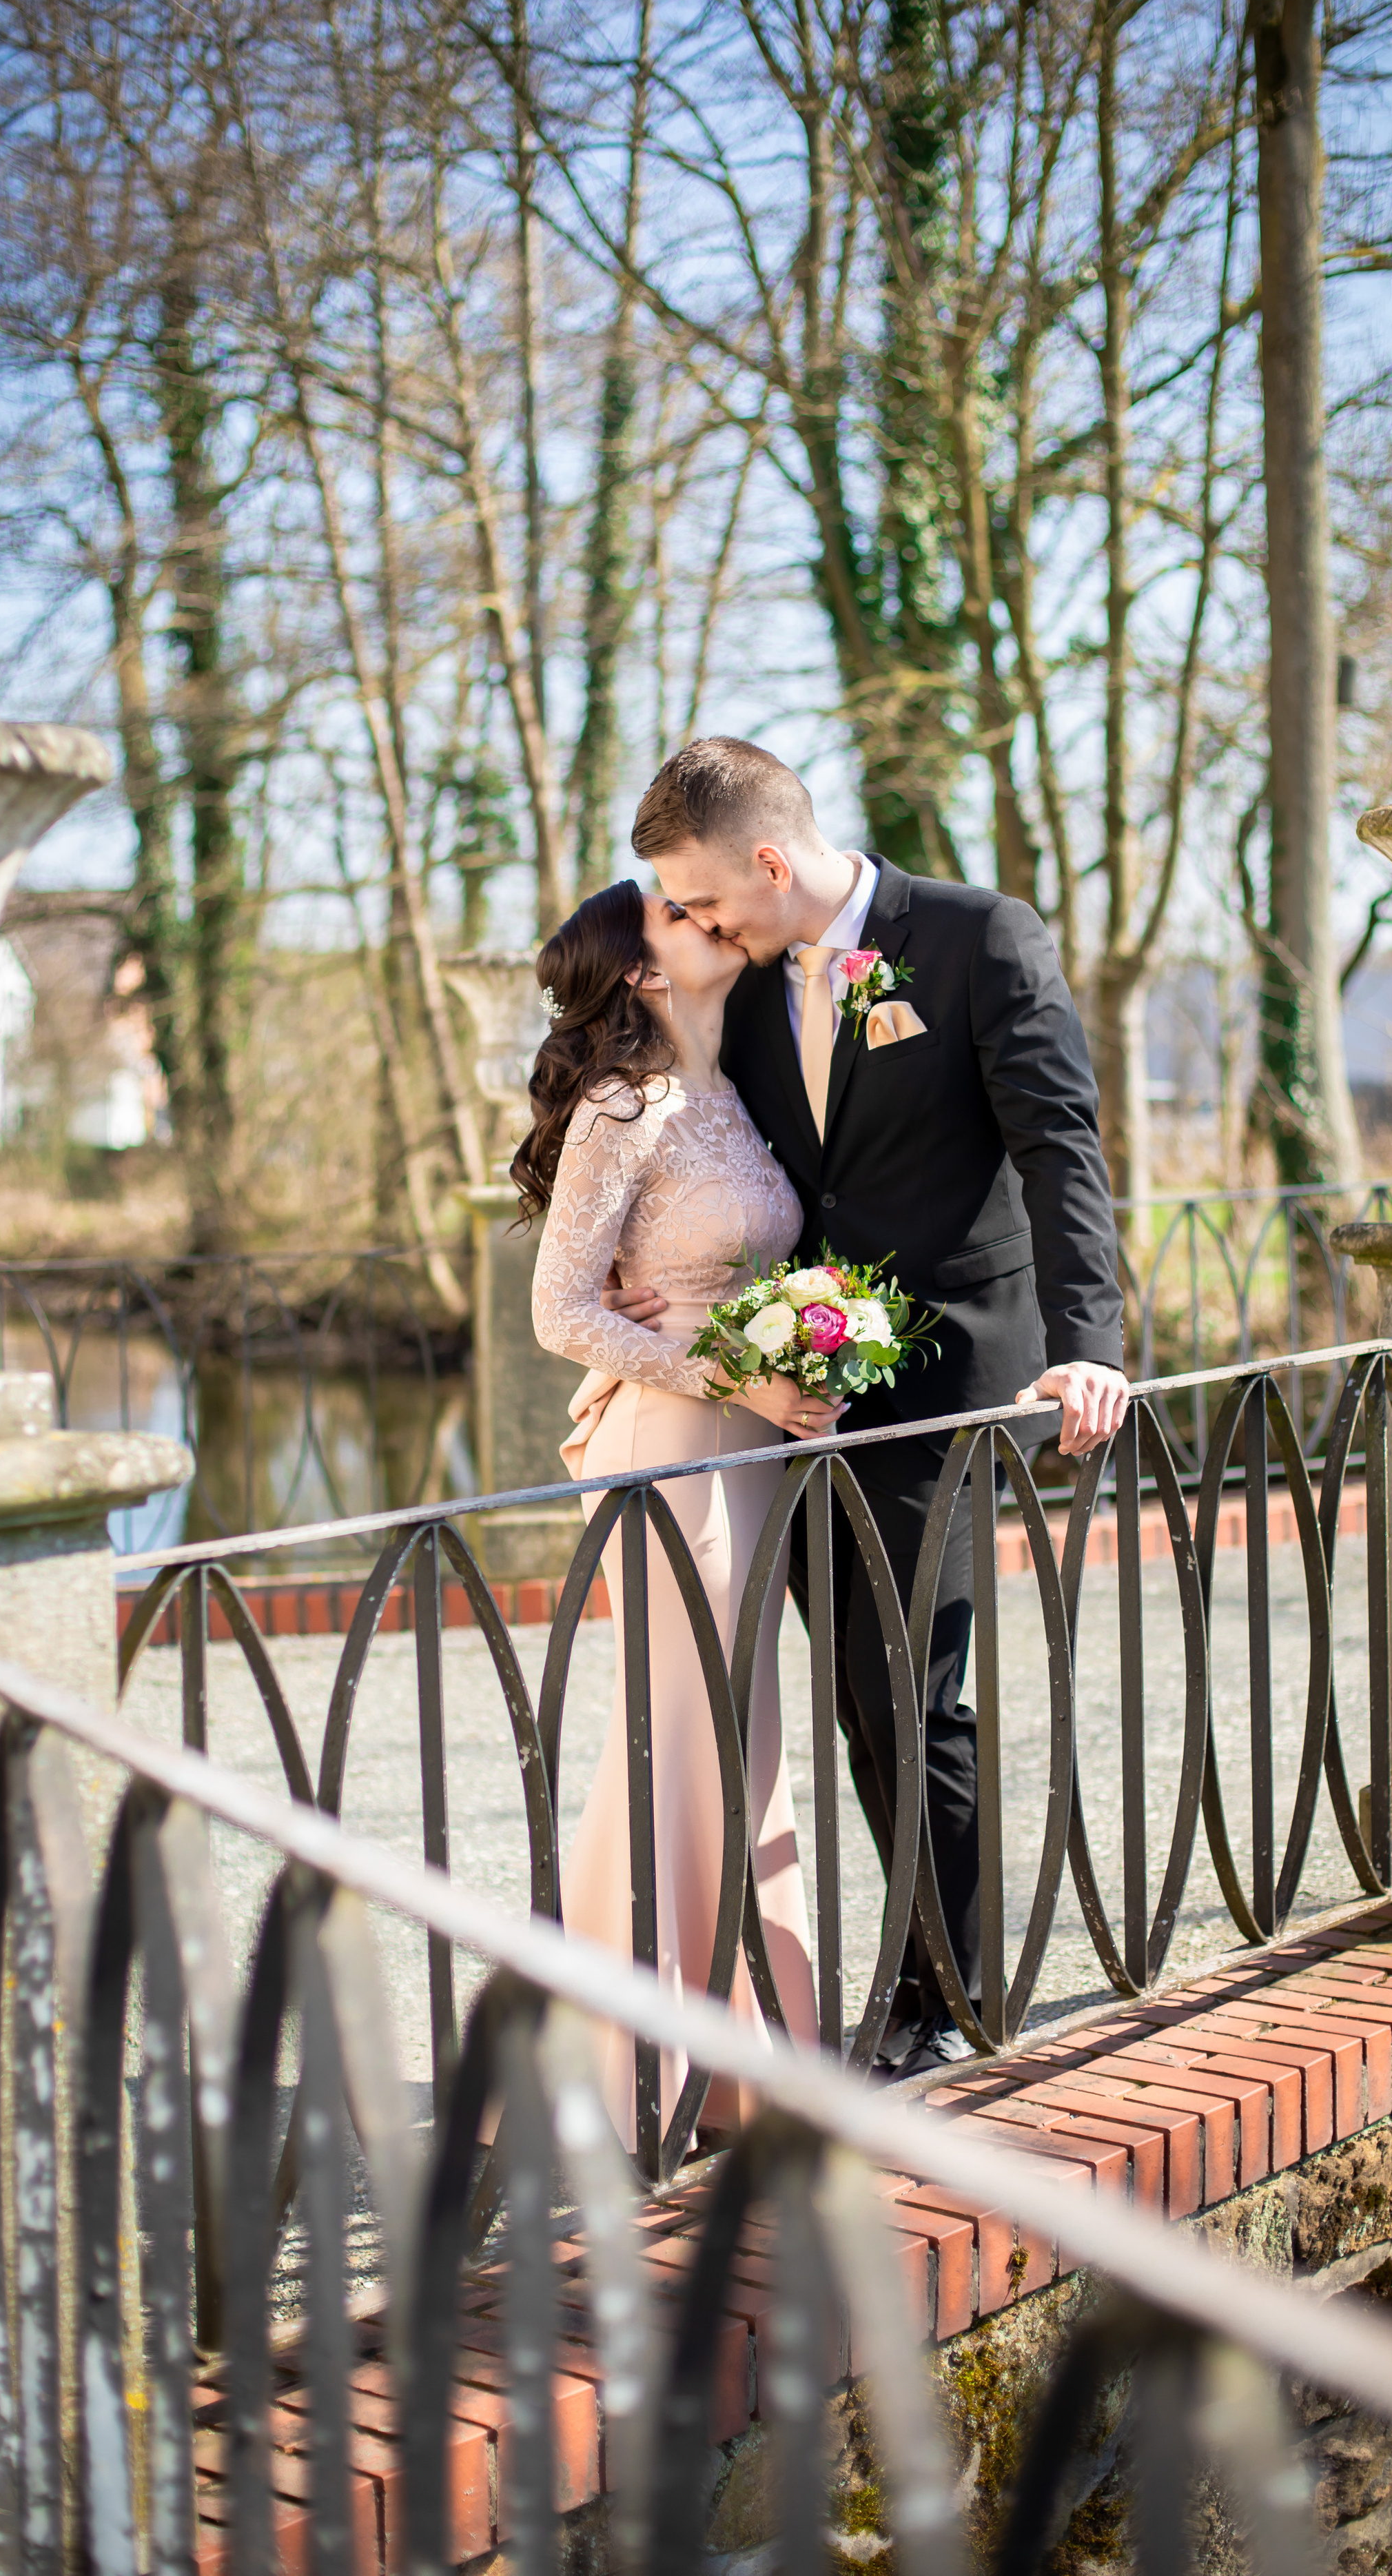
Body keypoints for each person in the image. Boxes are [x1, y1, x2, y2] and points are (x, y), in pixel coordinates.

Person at [606, 735, 1129, 2080]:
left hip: (946, 1377)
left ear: (769, 862)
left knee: (913, 1693)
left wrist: (1088, 1348)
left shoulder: (976, 937)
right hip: (793, 1388)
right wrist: (654, 1306)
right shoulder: (740, 979)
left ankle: (945, 1998)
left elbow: (1059, 1150)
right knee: (850, 1693)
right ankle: (873, 1976)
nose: (697, 923)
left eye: (705, 896)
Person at [518, 878, 827, 2148]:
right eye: (679, 915)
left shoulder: (730, 1093)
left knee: (734, 1733)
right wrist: (727, 1373)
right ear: (641, 973)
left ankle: (729, 2063)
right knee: (686, 1735)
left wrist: (805, 1345)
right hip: (669, 1441)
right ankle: (647, 2071)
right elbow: (560, 1312)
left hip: (747, 1440)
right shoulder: (622, 1107)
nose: (709, 915)